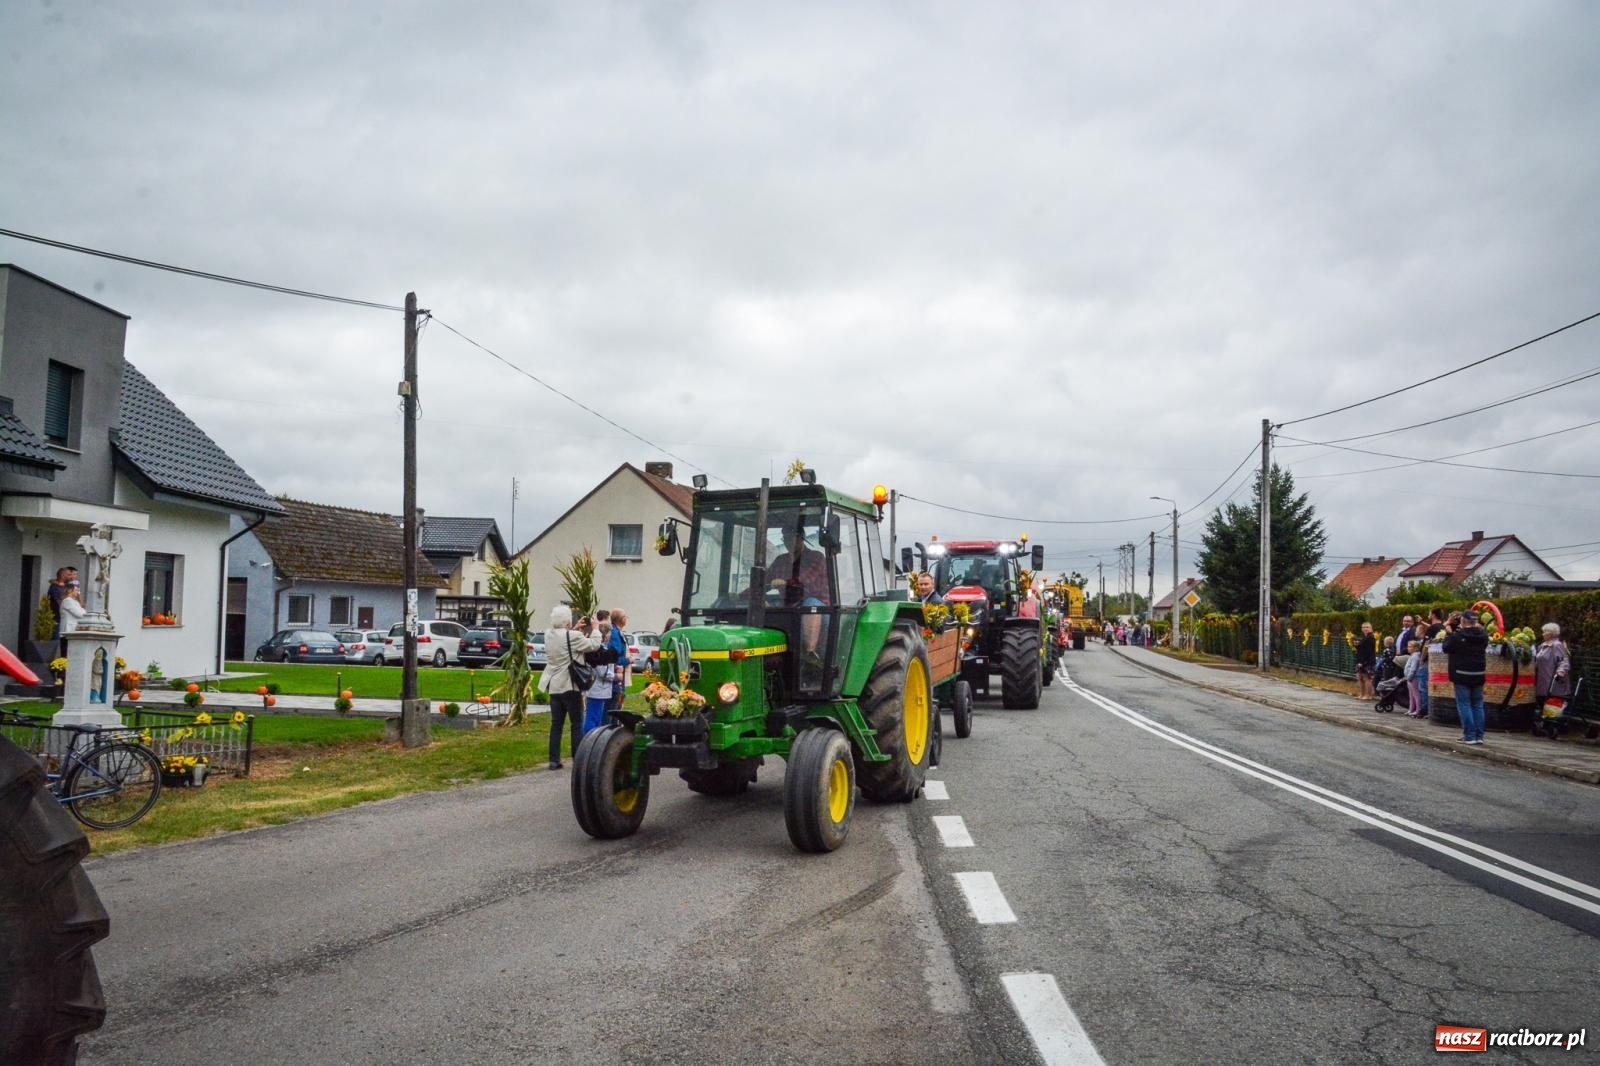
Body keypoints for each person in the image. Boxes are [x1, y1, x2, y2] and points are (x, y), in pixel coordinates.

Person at [537, 605, 606, 769]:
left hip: (554, 685)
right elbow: (594, 644)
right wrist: (596, 629)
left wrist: (573, 629)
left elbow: (563, 640)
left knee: (556, 724)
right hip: (570, 685)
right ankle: (578, 758)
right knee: (576, 723)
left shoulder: (548, 635)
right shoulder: (573, 636)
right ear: (568, 621)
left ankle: (554, 759)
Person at [1441, 610, 1489, 744]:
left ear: (1463, 621)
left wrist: (1449, 632)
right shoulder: (1483, 636)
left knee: (1464, 704)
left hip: (1461, 673)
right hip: (1478, 673)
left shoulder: (1458, 635)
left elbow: (1446, 648)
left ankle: (1469, 735)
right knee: (1478, 705)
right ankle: (1479, 736)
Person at [1533, 623, 1571, 716]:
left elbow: (1563, 660)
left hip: (1552, 681)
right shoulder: (1542, 646)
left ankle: (1551, 725)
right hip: (1542, 681)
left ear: (1551, 633)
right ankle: (1545, 724)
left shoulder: (1556, 645)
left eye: (1545, 632)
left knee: (1551, 706)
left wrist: (1561, 671)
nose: (1543, 634)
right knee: (1542, 702)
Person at [607, 608, 631, 712]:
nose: (627, 618)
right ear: (621, 619)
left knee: (617, 705)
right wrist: (628, 660)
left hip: (618, 676)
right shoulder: (615, 634)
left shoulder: (616, 631)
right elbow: (615, 657)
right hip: (616, 678)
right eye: (625, 616)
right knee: (614, 709)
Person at [1402, 639, 1425, 717]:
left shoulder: (1415, 656)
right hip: (1409, 677)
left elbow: (1413, 668)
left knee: (1416, 694)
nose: (1408, 648)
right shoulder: (1412, 656)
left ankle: (1418, 709)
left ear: (1415, 648)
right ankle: (1411, 709)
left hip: (1413, 677)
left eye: (1410, 647)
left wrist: (1409, 676)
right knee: (1411, 695)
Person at [1354, 622, 1377, 700]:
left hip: (1367, 661)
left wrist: (1362, 662)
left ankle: (1368, 695)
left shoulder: (1370, 638)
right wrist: (1357, 645)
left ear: (1371, 628)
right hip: (1360, 660)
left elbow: (1368, 652)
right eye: (1363, 627)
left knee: (1367, 678)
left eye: (1367, 627)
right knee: (1360, 678)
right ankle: (1362, 694)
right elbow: (1362, 649)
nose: (1365, 629)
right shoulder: (1364, 637)